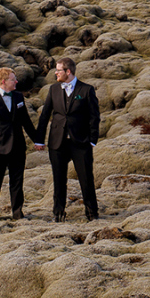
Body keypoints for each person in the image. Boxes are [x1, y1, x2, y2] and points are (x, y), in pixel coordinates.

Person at [34, 57, 101, 222]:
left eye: (58, 70)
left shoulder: (86, 90)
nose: (56, 73)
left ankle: (92, 213)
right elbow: (45, 115)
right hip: (57, 142)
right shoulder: (53, 89)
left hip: (81, 142)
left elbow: (94, 116)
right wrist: (39, 140)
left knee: (86, 179)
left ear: (68, 71)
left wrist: (93, 139)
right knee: (58, 180)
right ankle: (58, 213)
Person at [0, 67, 37, 221]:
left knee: (17, 182)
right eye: (13, 79)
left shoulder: (18, 96)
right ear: (4, 81)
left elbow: (26, 121)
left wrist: (37, 140)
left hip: (18, 146)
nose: (16, 81)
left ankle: (17, 214)